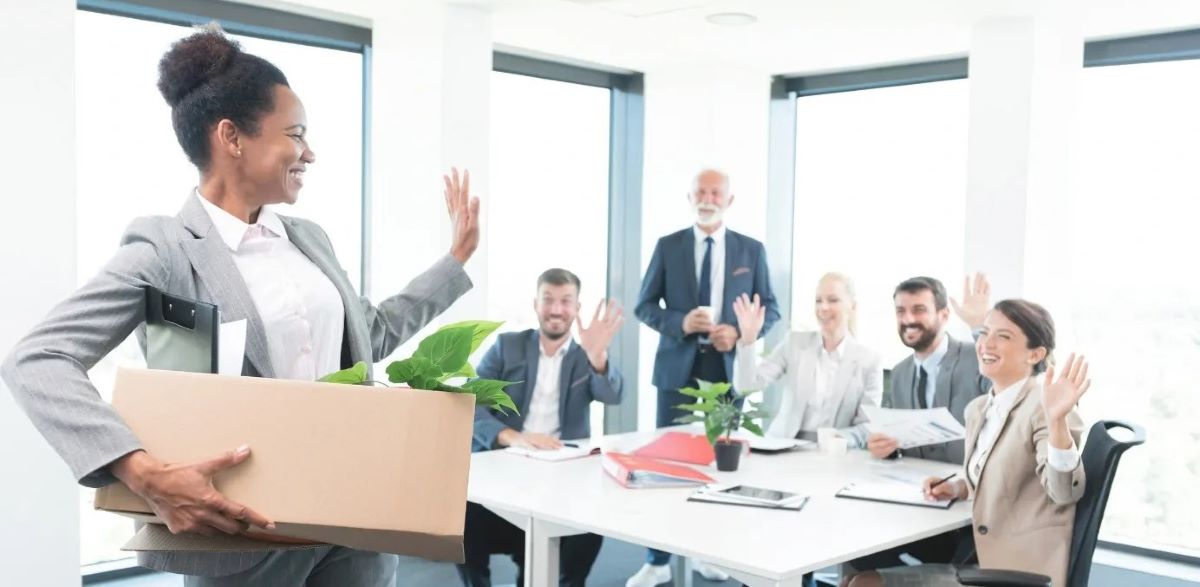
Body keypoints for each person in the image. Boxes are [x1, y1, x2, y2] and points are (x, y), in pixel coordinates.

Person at [1, 27, 479, 586]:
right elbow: (40, 359)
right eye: (295, 134)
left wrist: (455, 261)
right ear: (231, 137)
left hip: (351, 527)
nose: (309, 153)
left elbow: (366, 338)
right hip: (240, 536)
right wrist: (141, 472)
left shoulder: (310, 240)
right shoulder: (165, 248)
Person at [846, 300, 1089, 587]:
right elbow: (1003, 474)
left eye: (1003, 336)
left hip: (1016, 570)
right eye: (984, 333)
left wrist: (1057, 421)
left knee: (862, 584)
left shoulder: (1043, 405)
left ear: (1035, 354)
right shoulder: (979, 409)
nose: (986, 344)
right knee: (853, 577)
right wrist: (959, 487)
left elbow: (1063, 492)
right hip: (979, 555)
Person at [630, 168, 780, 587]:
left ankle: (709, 551)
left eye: (716, 192)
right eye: (701, 191)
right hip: (676, 369)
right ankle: (657, 560)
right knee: (666, 463)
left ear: (729, 200)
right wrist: (680, 322)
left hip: (727, 370)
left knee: (722, 466)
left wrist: (740, 333)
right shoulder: (668, 245)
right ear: (690, 197)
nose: (707, 198)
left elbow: (771, 308)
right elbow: (644, 305)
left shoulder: (751, 250)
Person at [460, 268, 624, 587]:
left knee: (590, 525)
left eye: (566, 301)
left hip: (561, 475)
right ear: (535, 304)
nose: (556, 309)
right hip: (506, 465)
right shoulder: (507, 346)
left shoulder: (586, 355)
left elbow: (613, 395)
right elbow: (471, 400)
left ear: (577, 308)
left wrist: (598, 356)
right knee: (463, 516)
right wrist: (513, 437)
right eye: (548, 299)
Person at [850, 275, 992, 572]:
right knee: (857, 547)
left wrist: (981, 327)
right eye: (900, 311)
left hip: (967, 509)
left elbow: (1009, 390)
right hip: (920, 502)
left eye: (919, 310)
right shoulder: (900, 372)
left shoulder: (976, 359)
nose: (908, 319)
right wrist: (888, 448)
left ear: (944, 315)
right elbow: (907, 440)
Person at [732, 273, 883, 445]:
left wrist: (838, 440)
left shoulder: (869, 361)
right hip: (784, 446)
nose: (823, 307)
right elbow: (746, 386)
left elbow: (867, 426)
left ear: (852, 306)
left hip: (833, 453)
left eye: (833, 300)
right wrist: (748, 339)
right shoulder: (794, 343)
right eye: (818, 301)